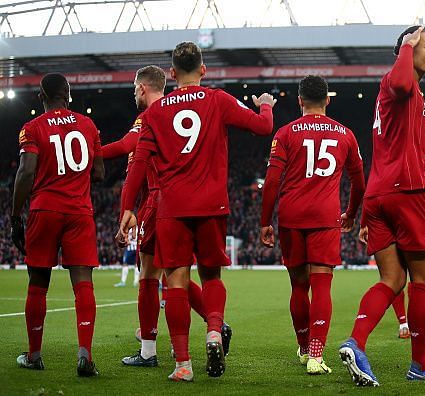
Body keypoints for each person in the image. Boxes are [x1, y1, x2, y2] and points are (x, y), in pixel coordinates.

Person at [118, 41, 276, 381]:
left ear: (172, 74)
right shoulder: (217, 99)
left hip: (172, 208)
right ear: (203, 70)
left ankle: (183, 365)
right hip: (212, 203)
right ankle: (215, 331)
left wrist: (127, 208)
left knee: (174, 281)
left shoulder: (153, 114)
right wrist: (265, 106)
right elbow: (263, 128)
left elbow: (138, 164)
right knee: (211, 277)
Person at [338, 26, 425, 386]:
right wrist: (406, 46)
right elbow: (401, 83)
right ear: (409, 48)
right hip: (408, 192)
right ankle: (420, 365)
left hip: (379, 194)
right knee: (422, 279)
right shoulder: (397, 82)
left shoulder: (407, 90)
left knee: (391, 278)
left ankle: (356, 343)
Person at [102, 65, 232, 368]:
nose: (134, 93)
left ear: (143, 88)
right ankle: (216, 324)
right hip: (191, 200)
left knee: (152, 276)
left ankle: (150, 350)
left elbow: (126, 147)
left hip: (160, 202)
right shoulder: (183, 108)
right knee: (179, 277)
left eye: (135, 88)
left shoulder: (152, 115)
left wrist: (89, 150)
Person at [260, 75, 365, 375]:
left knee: (298, 285)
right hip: (324, 216)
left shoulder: (285, 133)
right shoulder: (345, 134)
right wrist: (351, 212)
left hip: (291, 216)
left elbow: (271, 182)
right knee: (322, 285)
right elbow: (359, 182)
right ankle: (317, 357)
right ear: (328, 100)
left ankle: (304, 346)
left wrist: (265, 221)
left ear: (299, 101)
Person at [11, 73, 104, 377]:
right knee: (83, 283)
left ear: (41, 97)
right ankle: (86, 356)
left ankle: (35, 355)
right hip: (79, 211)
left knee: (38, 284)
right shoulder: (88, 125)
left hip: (45, 209)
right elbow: (100, 172)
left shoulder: (32, 128)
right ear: (68, 94)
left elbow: (26, 173)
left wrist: (15, 215)